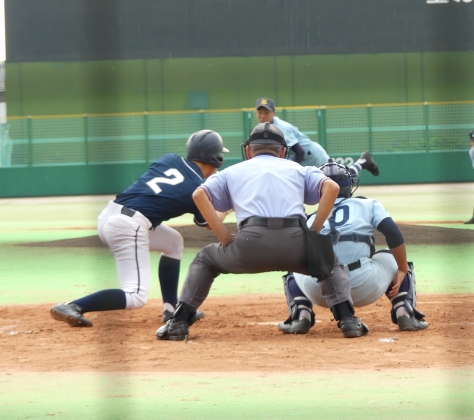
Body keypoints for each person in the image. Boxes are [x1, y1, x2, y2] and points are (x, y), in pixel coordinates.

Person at [157, 122, 368, 341]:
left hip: (249, 244)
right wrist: (313, 232)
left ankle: (179, 322)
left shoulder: (232, 171)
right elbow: (332, 187)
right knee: (328, 263)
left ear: (249, 151)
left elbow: (199, 195)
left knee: (205, 259)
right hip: (296, 244)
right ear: (283, 152)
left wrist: (225, 237)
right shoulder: (299, 169)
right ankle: (348, 320)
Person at [50, 130, 229, 327]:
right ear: (216, 158)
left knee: (173, 242)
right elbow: (210, 224)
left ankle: (171, 312)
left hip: (110, 215)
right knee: (135, 296)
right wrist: (228, 208)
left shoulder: (169, 159)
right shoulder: (197, 188)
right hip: (128, 226)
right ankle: (73, 306)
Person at [278, 160, 428, 335]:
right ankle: (405, 313)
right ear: (350, 185)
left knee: (296, 261)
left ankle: (301, 316)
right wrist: (402, 268)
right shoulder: (368, 204)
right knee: (392, 257)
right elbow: (393, 233)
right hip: (365, 285)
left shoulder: (311, 218)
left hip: (320, 291)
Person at [254, 97, 380, 177]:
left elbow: (300, 152)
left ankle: (363, 162)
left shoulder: (282, 128)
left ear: (274, 113)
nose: (263, 116)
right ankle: (362, 162)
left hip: (313, 156)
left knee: (341, 179)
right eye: (260, 112)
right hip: (305, 160)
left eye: (266, 112)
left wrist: (290, 171)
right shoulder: (264, 129)